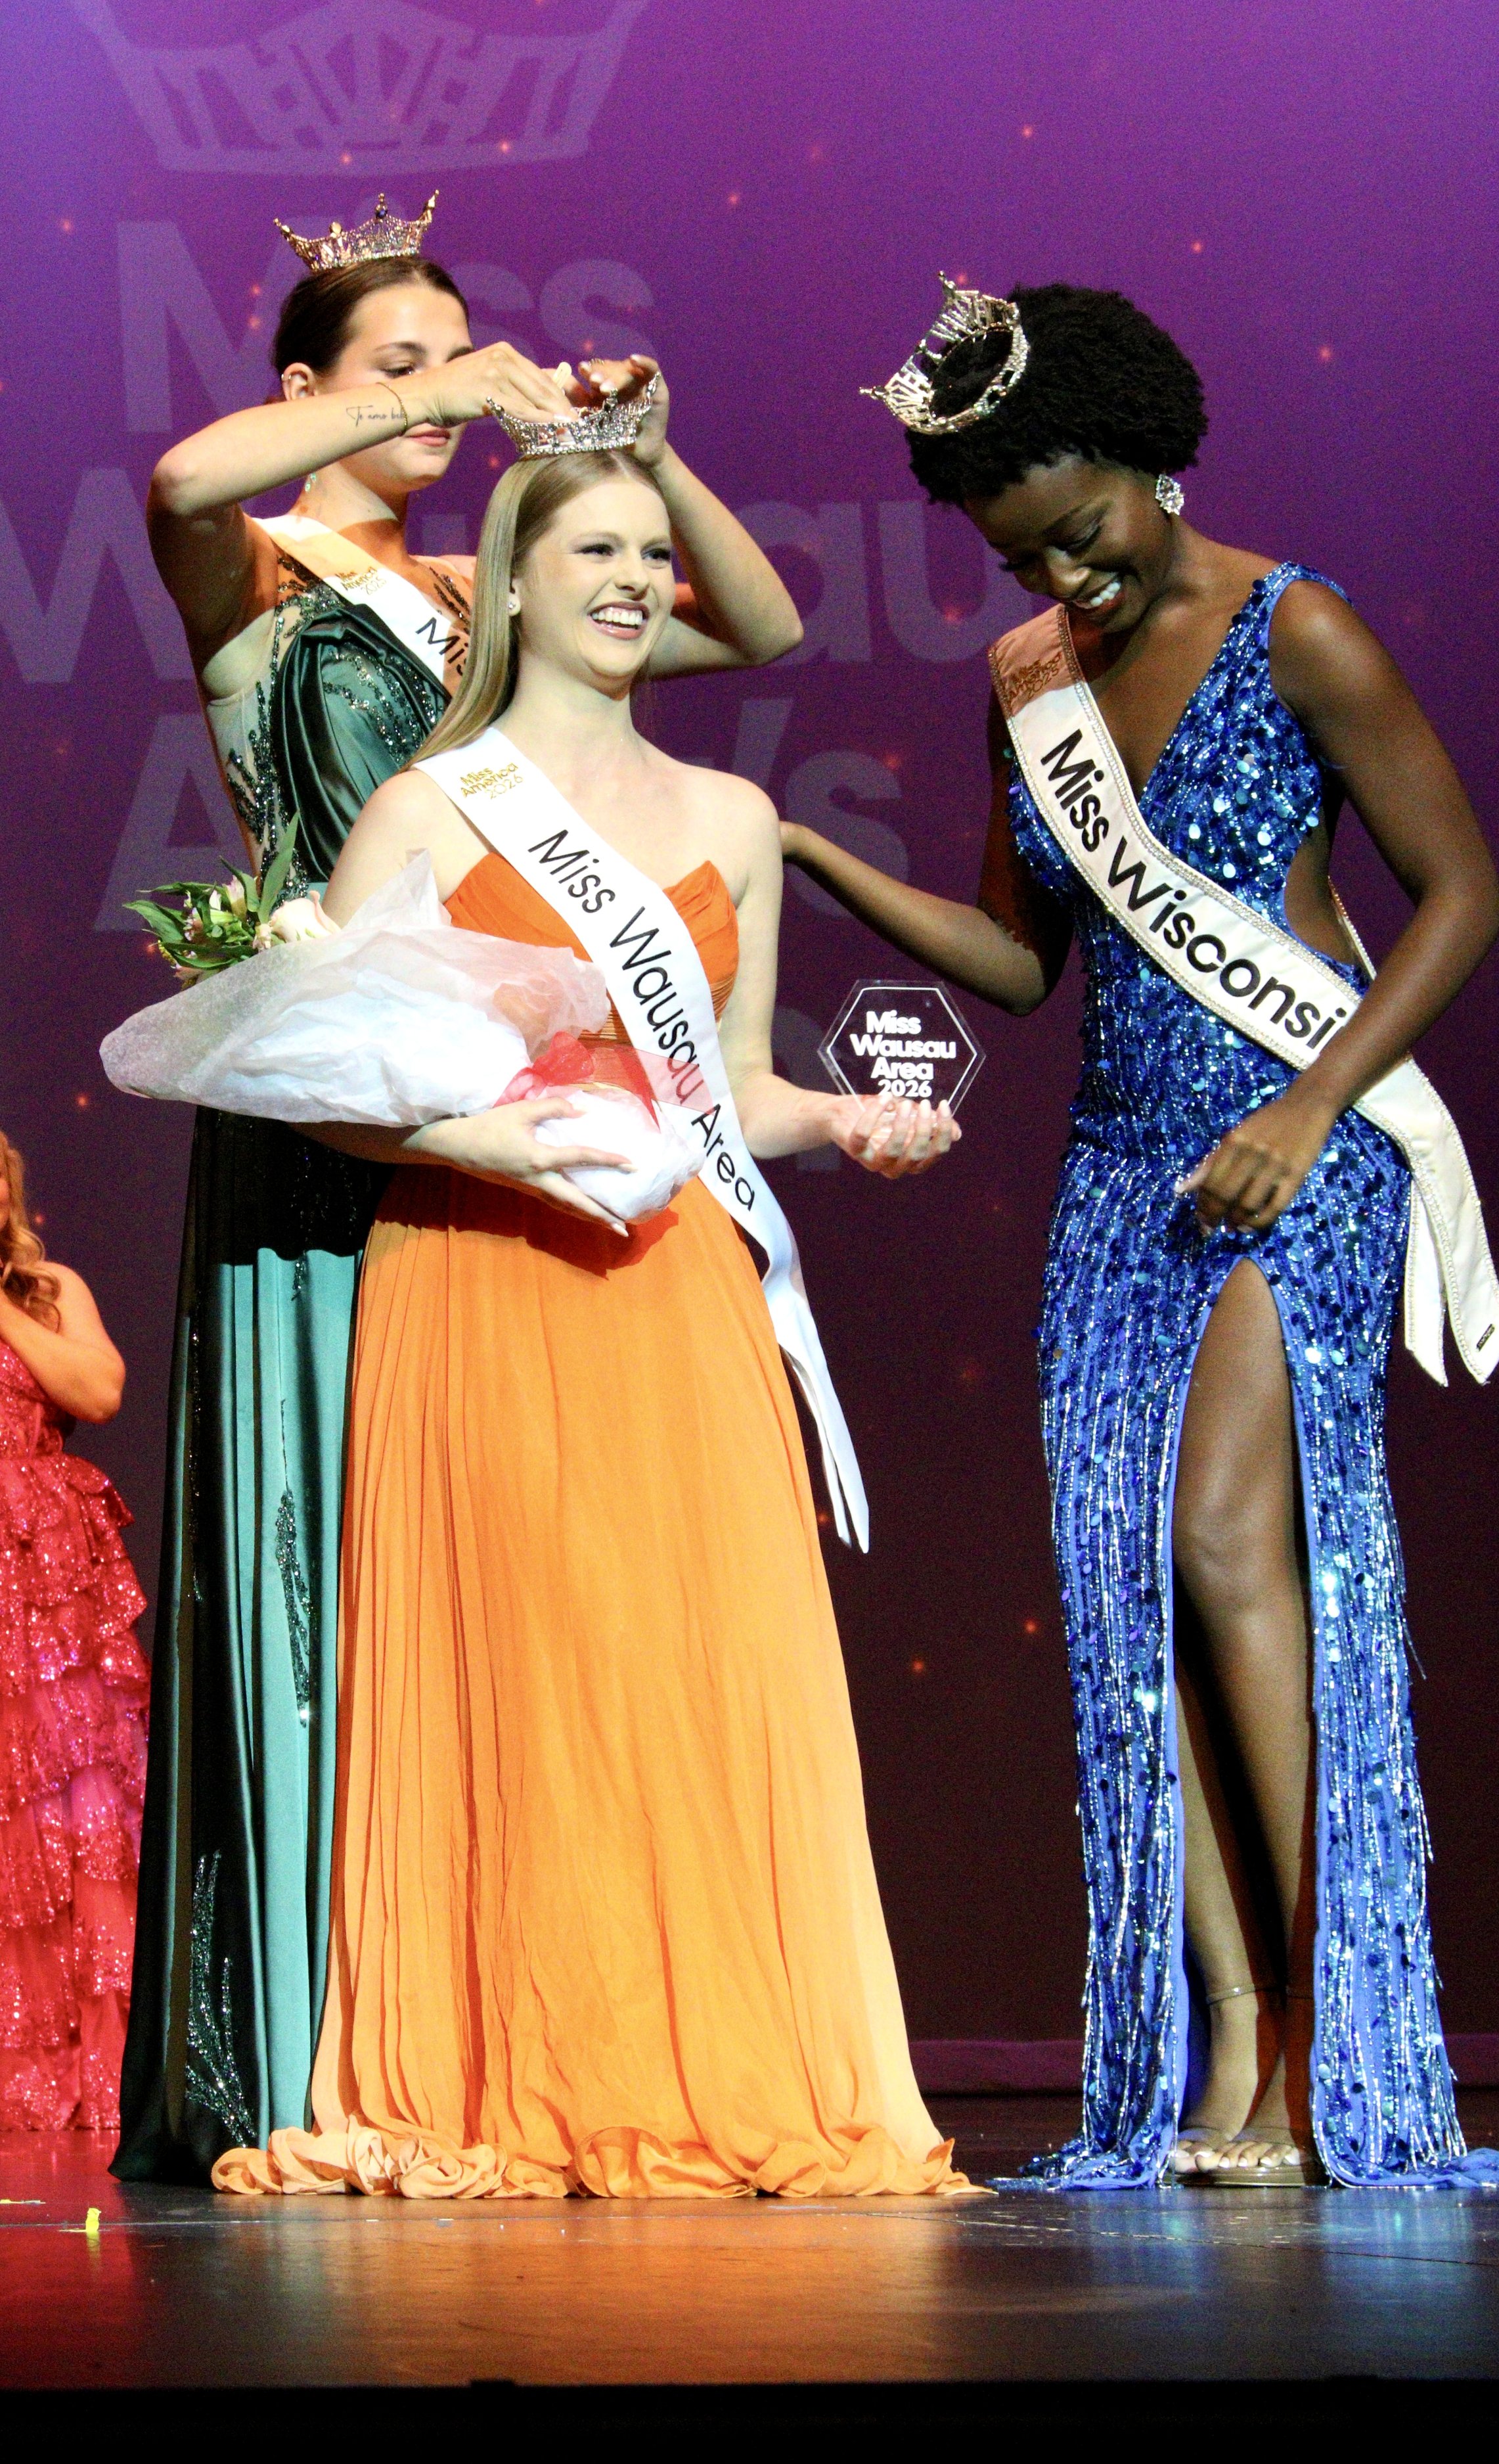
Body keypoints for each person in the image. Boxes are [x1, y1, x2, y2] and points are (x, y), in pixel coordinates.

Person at [788, 279, 1499, 2185]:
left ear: (1142, 452)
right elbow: (1024, 966)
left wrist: (1306, 1101)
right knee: (1129, 1608)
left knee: (1217, 1533)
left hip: (1302, 1146)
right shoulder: (1024, 681)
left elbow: (1457, 894)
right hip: (1119, 1175)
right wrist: (809, 858)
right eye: (1022, 556)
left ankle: (1311, 2040)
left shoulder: (1302, 627)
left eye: (1081, 531)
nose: (1065, 580)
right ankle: (1214, 2057)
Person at [117, 194, 806, 2183]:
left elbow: (758, 627)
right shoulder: (252, 566)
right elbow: (174, 469)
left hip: (532, 1132)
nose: (445, 401)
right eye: (394, 368)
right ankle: (312, 2039)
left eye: (461, 358)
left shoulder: (484, 598)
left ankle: (510, 2001)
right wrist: (466, 392)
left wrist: (641, 457)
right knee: (322, 1553)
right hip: (342, 1104)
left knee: (502, 1581)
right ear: (304, 393)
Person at [210, 401, 967, 2201]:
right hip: (484, 1280)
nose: (632, 581)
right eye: (595, 552)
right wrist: (496, 1130)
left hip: (679, 1280)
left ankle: (709, 2057)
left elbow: (739, 1085)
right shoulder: (425, 804)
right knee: (531, 1674)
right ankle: (529, 2057)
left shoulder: (734, 815)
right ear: (516, 586)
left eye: (649, 554)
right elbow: (327, 1067)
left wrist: (847, 1116)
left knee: (690, 1677)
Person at [0, 1131, 146, 2129]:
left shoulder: (47, 1289)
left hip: (48, 1593)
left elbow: (98, 1390)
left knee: (71, 1816)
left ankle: (88, 2066)